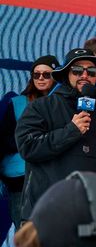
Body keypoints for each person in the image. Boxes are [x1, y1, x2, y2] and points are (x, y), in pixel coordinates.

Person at [15, 48, 96, 220]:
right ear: (66, 75)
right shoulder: (41, 107)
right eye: (77, 70)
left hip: (89, 216)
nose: (85, 75)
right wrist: (71, 131)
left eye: (91, 71)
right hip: (46, 215)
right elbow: (28, 147)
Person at [1, 55, 58, 230]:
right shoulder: (17, 103)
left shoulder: (62, 103)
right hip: (21, 178)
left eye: (46, 74)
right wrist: (34, 143)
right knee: (25, 234)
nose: (41, 78)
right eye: (36, 74)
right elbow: (5, 139)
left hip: (53, 177)